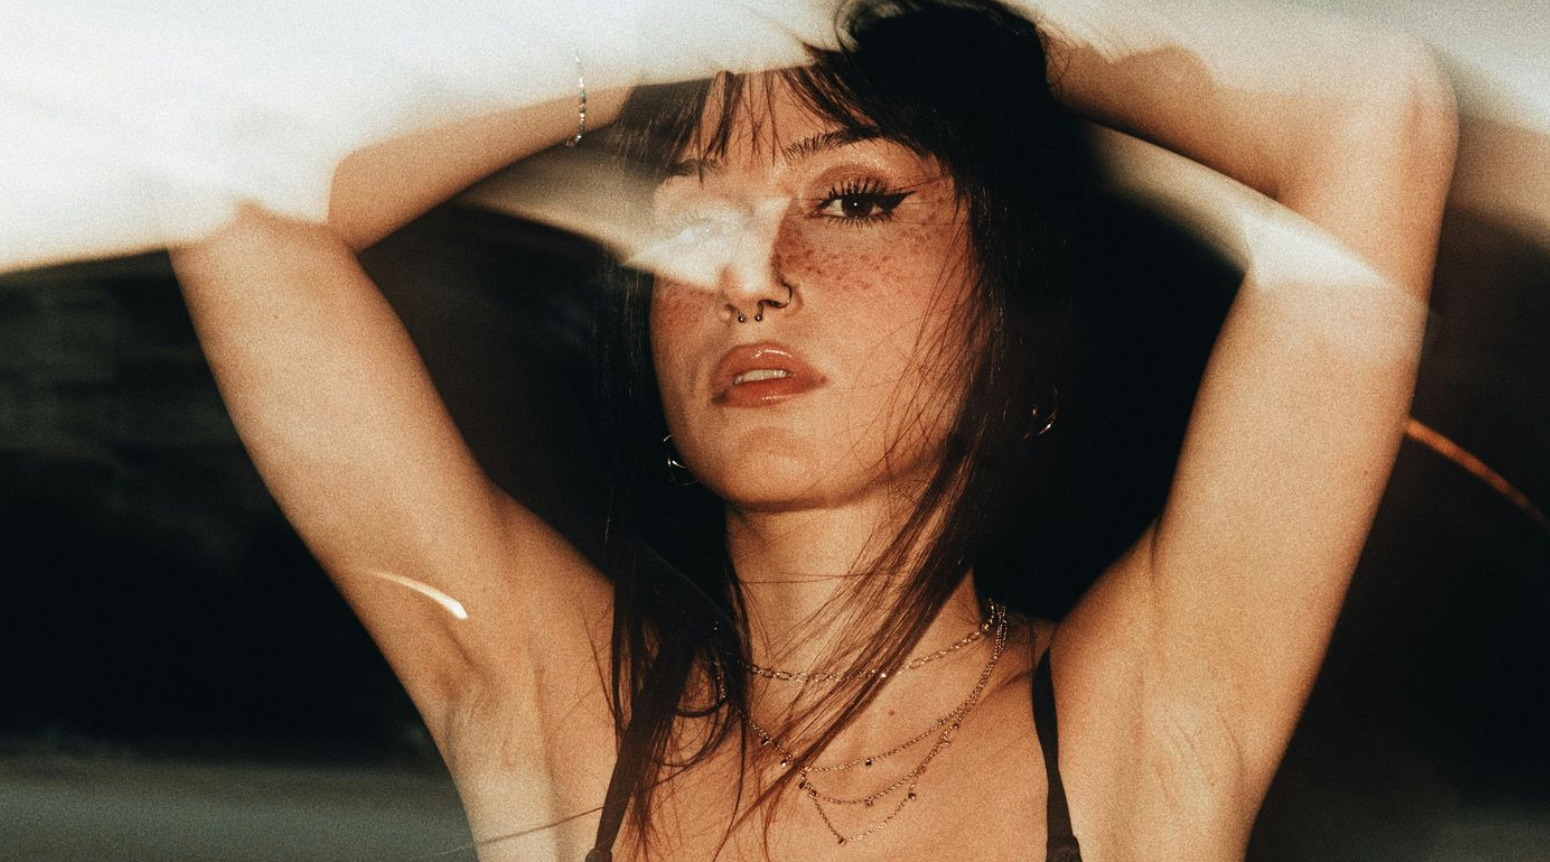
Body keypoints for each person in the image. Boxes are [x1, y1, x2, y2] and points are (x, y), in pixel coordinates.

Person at [167, 0, 1457, 859]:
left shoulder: (1144, 730)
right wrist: (656, 34)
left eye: (851, 199)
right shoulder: (556, 719)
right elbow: (240, 194)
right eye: (690, 218)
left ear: (1007, 313)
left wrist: (948, 31)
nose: (747, 274)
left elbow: (1372, 113)